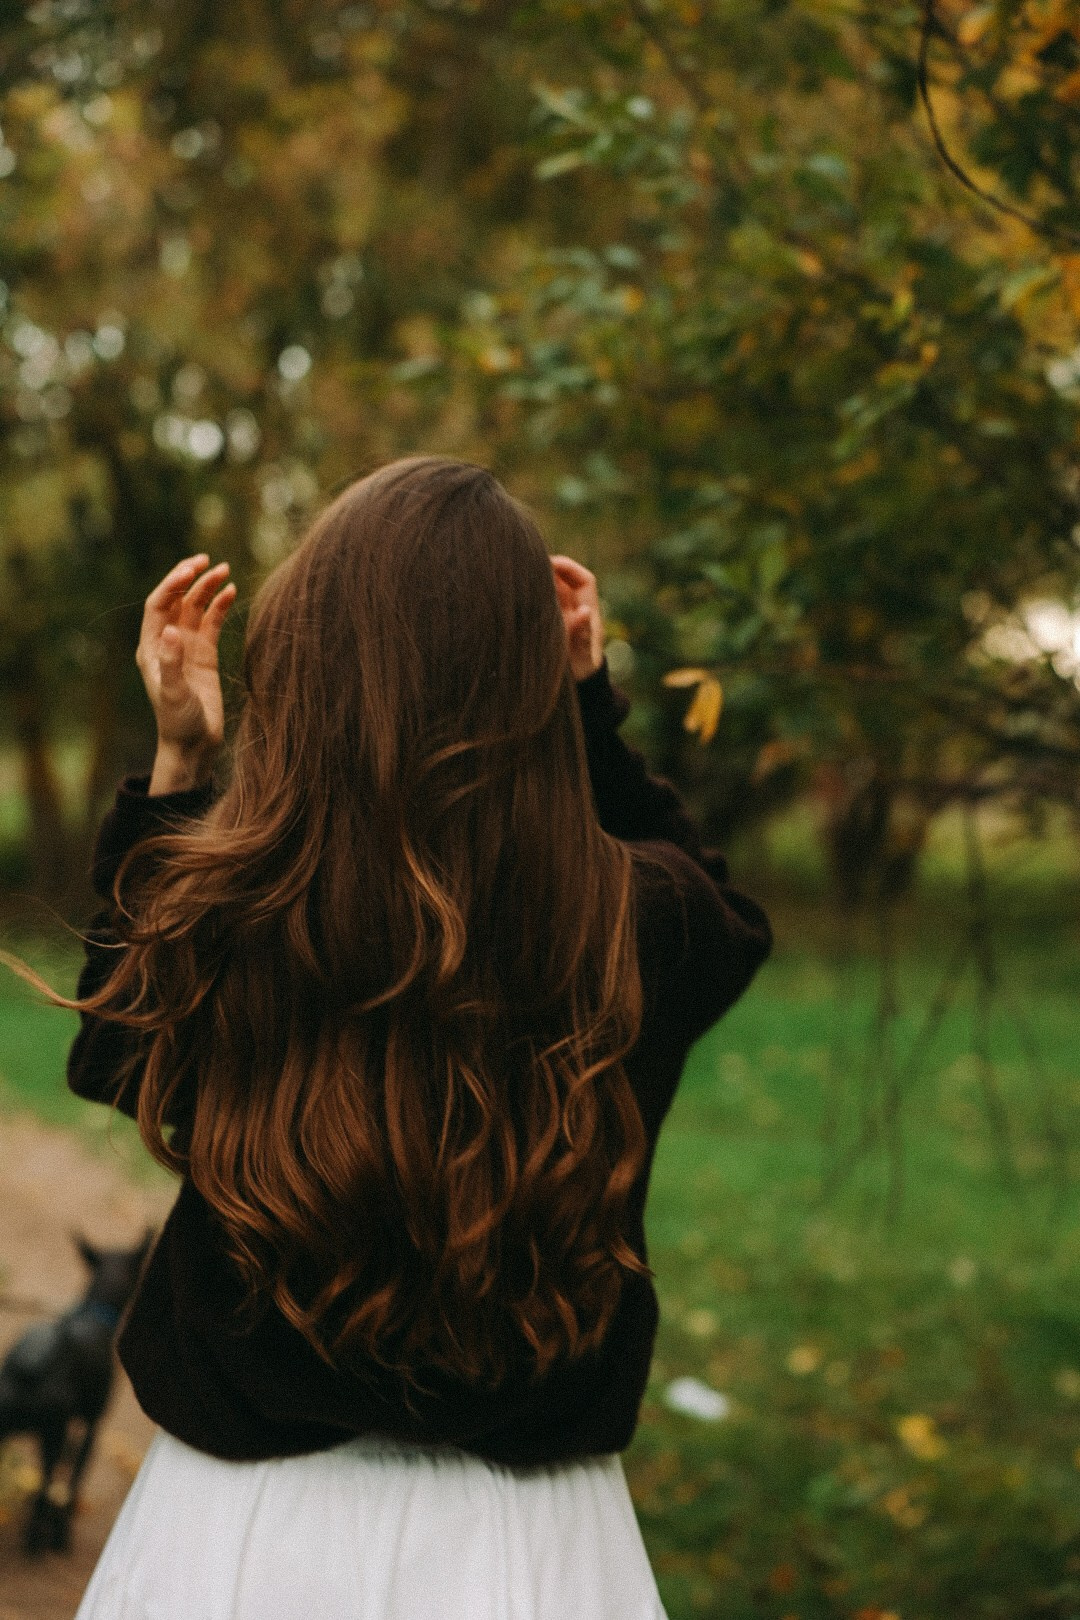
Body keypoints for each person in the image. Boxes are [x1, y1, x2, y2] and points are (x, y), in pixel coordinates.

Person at [61, 456, 771, 1619]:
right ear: (528, 680)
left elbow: (113, 1055)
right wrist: (589, 708)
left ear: (310, 663)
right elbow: (729, 925)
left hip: (239, 1536)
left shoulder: (240, 904)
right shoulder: (638, 923)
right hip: (535, 1550)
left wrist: (180, 765)